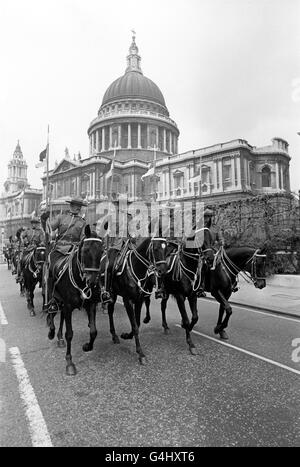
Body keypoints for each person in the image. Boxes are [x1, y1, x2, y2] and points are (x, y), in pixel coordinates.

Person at [41, 196, 87, 312]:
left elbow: (83, 238)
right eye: (75, 205)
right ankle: (51, 299)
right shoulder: (61, 217)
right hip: (60, 249)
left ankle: (86, 296)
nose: (77, 208)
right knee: (50, 268)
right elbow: (49, 229)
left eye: (79, 206)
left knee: (86, 268)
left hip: (74, 250)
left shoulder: (82, 222)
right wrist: (44, 221)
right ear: (70, 206)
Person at [16, 218, 45, 283]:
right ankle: (20, 275)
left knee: (42, 260)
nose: (33, 224)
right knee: (22, 260)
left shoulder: (40, 231)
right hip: (29, 249)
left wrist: (39, 244)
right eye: (32, 223)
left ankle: (42, 276)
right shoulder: (27, 231)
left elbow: (43, 241)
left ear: (37, 224)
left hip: (37, 249)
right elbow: (21, 236)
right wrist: (23, 241)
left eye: (35, 223)